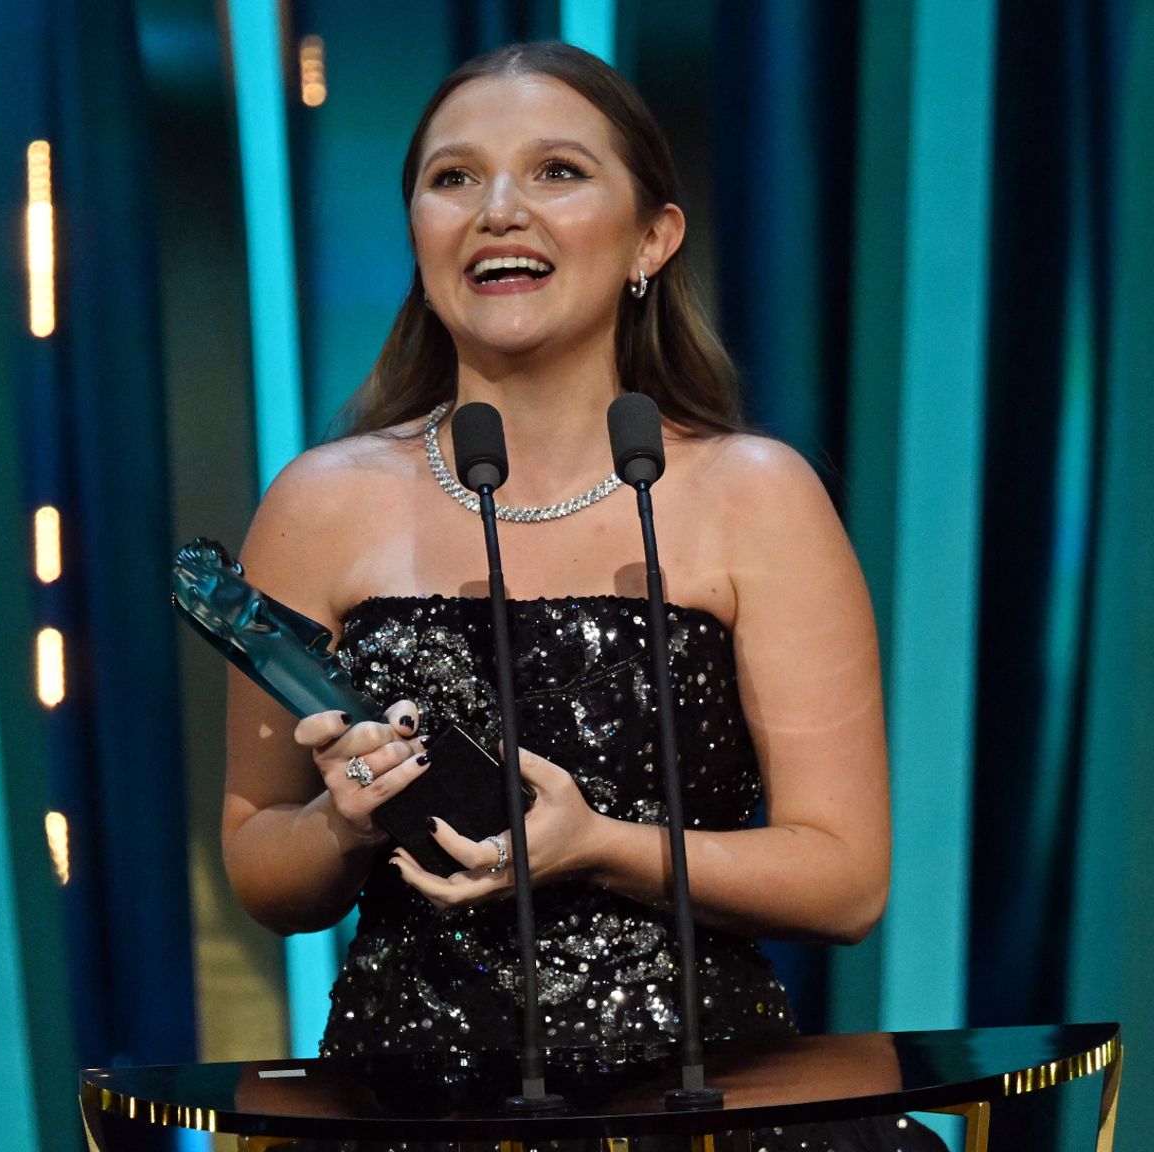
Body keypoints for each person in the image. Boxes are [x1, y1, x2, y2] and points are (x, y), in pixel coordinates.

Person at [222, 40, 898, 1110]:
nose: (498, 209)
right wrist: (337, 824)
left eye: (556, 172)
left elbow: (845, 875)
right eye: (454, 179)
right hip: (403, 1107)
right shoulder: (319, 502)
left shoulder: (753, 493)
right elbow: (261, 860)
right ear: (417, 233)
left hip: (698, 1104)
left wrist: (599, 846)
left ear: (651, 238)